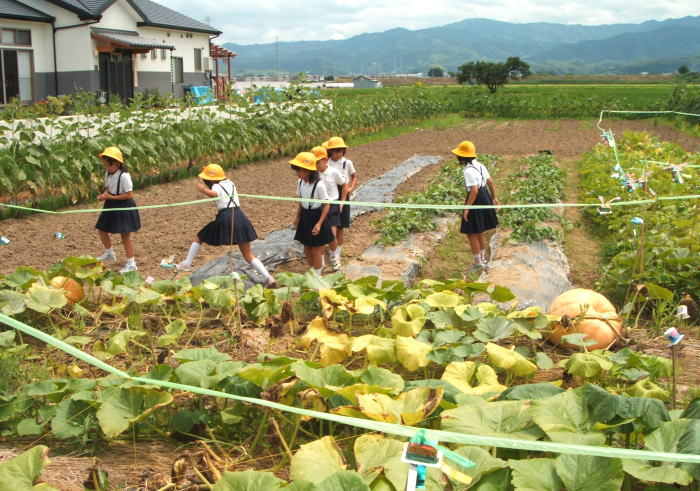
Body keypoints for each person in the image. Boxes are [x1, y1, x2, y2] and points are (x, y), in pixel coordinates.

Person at [176, 163, 277, 288]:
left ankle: (187, 263)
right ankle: (269, 278)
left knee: (200, 236)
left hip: (227, 217)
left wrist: (203, 190)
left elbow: (214, 194)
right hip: (239, 216)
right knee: (248, 255)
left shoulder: (217, 186)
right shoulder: (230, 183)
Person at [452, 141, 499, 270]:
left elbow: (474, 190)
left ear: (462, 157)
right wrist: (494, 198)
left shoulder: (468, 171)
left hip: (476, 199)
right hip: (485, 197)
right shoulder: (479, 165)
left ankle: (477, 263)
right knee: (480, 231)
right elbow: (490, 182)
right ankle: (482, 259)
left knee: (471, 232)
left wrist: (467, 208)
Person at [94, 146, 141, 273]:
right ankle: (109, 253)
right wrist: (104, 195)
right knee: (102, 228)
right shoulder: (108, 174)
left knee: (125, 235)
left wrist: (111, 197)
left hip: (123, 206)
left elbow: (129, 195)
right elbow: (109, 188)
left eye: (108, 165)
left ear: (117, 163)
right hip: (111, 203)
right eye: (104, 165)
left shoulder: (124, 176)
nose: (106, 168)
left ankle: (131, 264)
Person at [290, 151, 335, 277]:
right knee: (306, 248)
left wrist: (319, 224)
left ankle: (317, 276)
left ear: (307, 170)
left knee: (315, 249)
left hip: (316, 216)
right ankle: (311, 272)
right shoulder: (300, 183)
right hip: (305, 216)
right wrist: (297, 218)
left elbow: (326, 205)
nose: (297, 173)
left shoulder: (319, 185)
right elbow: (301, 201)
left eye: (299, 170)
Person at [312, 145, 348, 271]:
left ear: (326, 160)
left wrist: (342, 202)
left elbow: (344, 185)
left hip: (332, 205)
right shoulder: (313, 174)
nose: (316, 165)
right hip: (319, 206)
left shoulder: (333, 172)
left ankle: (333, 257)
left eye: (318, 162)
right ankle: (320, 261)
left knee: (331, 236)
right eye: (314, 162)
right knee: (319, 236)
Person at [324, 136, 356, 268]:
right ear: (330, 152)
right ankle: (331, 250)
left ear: (343, 151)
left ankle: (337, 253)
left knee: (341, 225)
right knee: (331, 224)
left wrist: (350, 188)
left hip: (343, 193)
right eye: (334, 151)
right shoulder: (327, 163)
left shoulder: (347, 163)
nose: (337, 154)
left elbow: (353, 176)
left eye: (340, 151)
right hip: (330, 194)